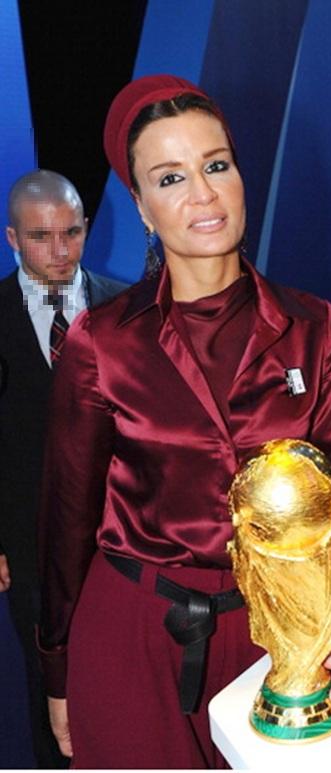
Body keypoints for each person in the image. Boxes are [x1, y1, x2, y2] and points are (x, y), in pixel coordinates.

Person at [37, 76, 331, 769]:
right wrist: (60, 667)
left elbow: (330, 512)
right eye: (171, 177)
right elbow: (68, 520)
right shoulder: (101, 343)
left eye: (216, 164)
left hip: (269, 632)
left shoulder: (315, 328)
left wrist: (326, 636)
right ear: (143, 208)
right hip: (132, 633)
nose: (204, 193)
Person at [0, 169, 127, 768]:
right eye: (41, 236)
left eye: (72, 233)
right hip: (28, 542)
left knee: (127, 672)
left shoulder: (127, 306)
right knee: (47, 684)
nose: (59, 251)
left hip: (124, 535)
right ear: (11, 239)